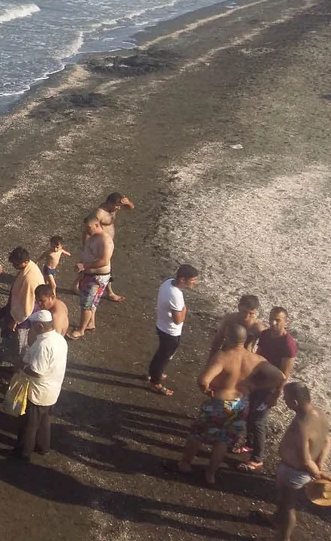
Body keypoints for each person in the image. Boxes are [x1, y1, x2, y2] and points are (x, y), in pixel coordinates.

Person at [171, 324, 285, 485]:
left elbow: (203, 380)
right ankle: (210, 474)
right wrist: (256, 386)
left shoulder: (223, 356)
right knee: (223, 440)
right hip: (240, 404)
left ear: (228, 338)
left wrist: (207, 391)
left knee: (198, 434)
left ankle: (184, 464)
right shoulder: (257, 360)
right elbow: (280, 377)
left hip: (219, 402)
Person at [251, 383, 331, 540]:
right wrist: (320, 463)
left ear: (294, 402)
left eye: (285, 398)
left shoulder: (301, 424)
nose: (284, 400)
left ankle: (284, 538)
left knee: (288, 506)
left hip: (294, 472)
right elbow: (327, 441)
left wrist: (317, 473)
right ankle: (276, 518)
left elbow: (305, 459)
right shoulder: (320, 413)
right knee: (283, 501)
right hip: (299, 471)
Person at [237, 307, 298, 472]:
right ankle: (249, 443)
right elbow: (258, 355)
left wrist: (276, 395)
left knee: (258, 420)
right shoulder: (264, 335)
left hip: (269, 388)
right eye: (272, 318)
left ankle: (257, 458)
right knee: (249, 413)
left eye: (278, 320)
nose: (273, 322)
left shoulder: (288, 344)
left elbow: (285, 374)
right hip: (256, 381)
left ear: (287, 322)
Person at [11, 309, 68, 462]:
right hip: (53, 389)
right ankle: (43, 447)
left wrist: (21, 366)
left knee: (29, 424)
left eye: (33, 325)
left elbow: (37, 372)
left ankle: (23, 454)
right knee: (45, 420)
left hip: (39, 391)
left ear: (41, 326)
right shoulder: (59, 339)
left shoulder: (43, 345)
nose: (31, 328)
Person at [147, 264, 200, 396]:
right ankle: (156, 382)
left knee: (160, 354)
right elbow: (178, 320)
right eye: (193, 279)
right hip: (170, 332)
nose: (195, 282)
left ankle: (154, 373)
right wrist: (184, 310)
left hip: (161, 326)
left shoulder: (168, 282)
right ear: (182, 279)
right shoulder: (176, 296)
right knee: (164, 357)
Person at [69, 216, 114, 340]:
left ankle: (81, 330)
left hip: (97, 278)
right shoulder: (92, 237)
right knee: (90, 302)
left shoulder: (105, 240)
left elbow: (104, 261)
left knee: (87, 304)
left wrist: (85, 265)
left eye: (88, 227)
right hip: (88, 275)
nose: (86, 230)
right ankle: (90, 323)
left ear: (96, 225)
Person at [88, 192, 134, 302]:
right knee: (105, 269)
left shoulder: (112, 209)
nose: (118, 208)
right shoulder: (99, 213)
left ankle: (75, 285)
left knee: (90, 266)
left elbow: (131, 208)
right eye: (116, 206)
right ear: (109, 203)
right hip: (101, 245)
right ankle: (109, 292)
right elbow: (89, 225)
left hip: (108, 244)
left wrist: (127, 202)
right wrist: (89, 245)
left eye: (119, 206)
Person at [4, 247, 44, 364]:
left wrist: (15, 320)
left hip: (25, 317)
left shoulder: (29, 279)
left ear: (25, 262)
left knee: (22, 344)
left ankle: (21, 366)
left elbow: (26, 306)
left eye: (16, 264)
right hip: (23, 310)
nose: (14, 266)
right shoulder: (29, 267)